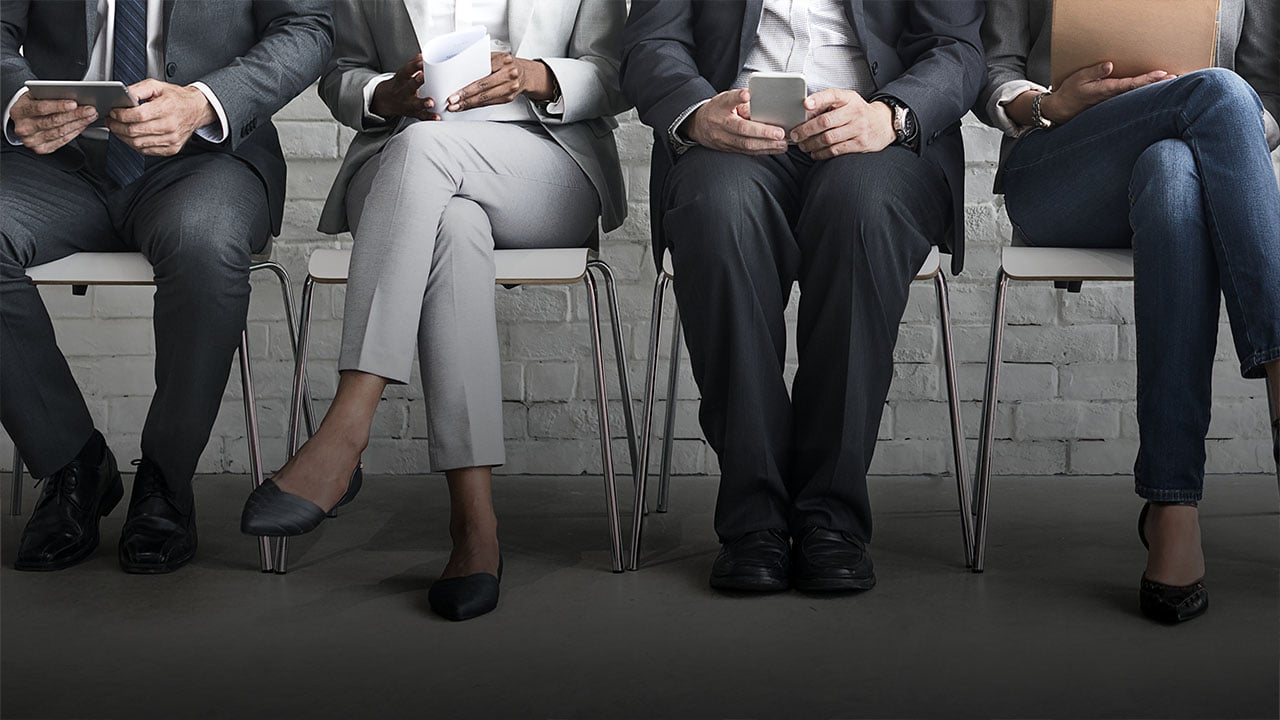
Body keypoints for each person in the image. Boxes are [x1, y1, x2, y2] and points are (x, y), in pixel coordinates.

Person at [240, 0, 628, 622]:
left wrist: (535, 75)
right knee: (451, 220)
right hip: (403, 168)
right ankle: (475, 528)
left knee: (428, 153)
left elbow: (616, 71)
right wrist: (384, 95)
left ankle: (345, 431)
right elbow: (342, 76)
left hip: (545, 158)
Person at [621, 1, 984, 593]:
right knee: (719, 213)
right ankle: (753, 521)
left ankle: (831, 520)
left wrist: (891, 115)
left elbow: (958, 49)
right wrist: (695, 112)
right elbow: (649, 43)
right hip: (732, 139)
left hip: (874, 139)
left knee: (859, 213)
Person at [1, 0, 333, 574]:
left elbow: (309, 27)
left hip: (206, 158)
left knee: (204, 245)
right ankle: (71, 465)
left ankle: (166, 478)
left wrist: (206, 100)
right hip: (58, 161)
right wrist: (15, 96)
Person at [976, 0, 1280, 624]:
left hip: (1190, 172)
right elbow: (993, 68)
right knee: (1220, 93)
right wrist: (1048, 103)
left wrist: (1204, 124)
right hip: (1061, 166)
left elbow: (1268, 94)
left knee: (1173, 167)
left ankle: (1173, 508)